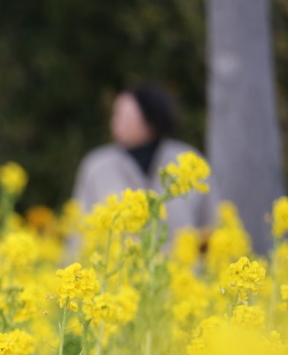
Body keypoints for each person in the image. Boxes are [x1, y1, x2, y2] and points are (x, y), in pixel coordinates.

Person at [71, 84, 217, 240]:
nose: (115, 122)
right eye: (115, 115)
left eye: (124, 116)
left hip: (181, 263)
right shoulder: (96, 166)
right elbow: (78, 232)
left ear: (151, 119)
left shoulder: (189, 162)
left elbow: (212, 225)